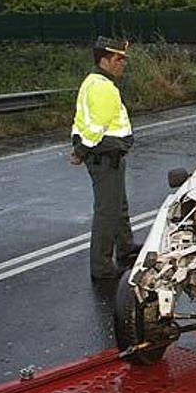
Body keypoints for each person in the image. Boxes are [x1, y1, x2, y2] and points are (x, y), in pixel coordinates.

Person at [70, 37, 138, 281]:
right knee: (107, 212)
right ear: (104, 60)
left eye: (124, 59)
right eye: (119, 59)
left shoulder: (96, 81)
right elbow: (96, 125)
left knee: (118, 206)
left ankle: (127, 249)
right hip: (104, 155)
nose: (123, 64)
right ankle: (102, 268)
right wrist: (80, 152)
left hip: (109, 154)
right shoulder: (102, 86)